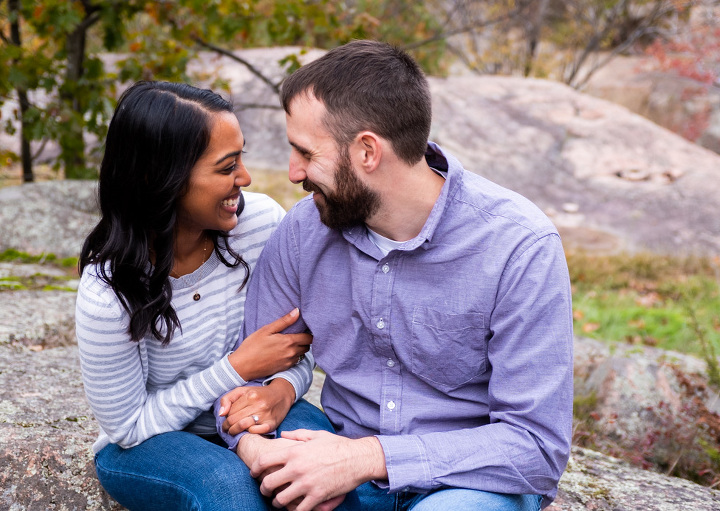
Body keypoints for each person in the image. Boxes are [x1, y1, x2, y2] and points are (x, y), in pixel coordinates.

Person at [216, 40, 574, 511]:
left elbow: (536, 447)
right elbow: (250, 379)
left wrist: (364, 458)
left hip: (466, 483)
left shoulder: (518, 247)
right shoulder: (304, 231)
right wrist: (255, 446)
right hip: (333, 450)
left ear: (368, 151)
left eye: (305, 152)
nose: (292, 172)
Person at [75, 80, 328, 511]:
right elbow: (128, 427)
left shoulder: (263, 223)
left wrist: (283, 389)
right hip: (151, 442)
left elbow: (296, 346)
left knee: (326, 474)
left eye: (241, 158)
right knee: (231, 493)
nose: (244, 178)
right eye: (227, 166)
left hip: (258, 403)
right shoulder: (108, 293)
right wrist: (237, 368)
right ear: (160, 178)